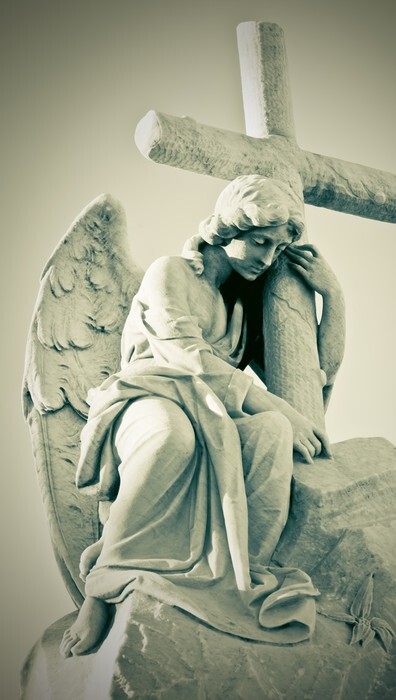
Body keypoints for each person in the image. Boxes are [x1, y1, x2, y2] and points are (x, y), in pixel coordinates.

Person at [60, 174, 345, 658]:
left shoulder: (242, 310)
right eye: (260, 242)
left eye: (277, 248)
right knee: (172, 437)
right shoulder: (170, 272)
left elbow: (314, 375)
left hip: (215, 414)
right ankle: (103, 586)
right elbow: (186, 356)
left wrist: (332, 297)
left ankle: (241, 575)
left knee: (271, 431)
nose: (267, 259)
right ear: (228, 228)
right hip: (149, 397)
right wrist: (274, 404)